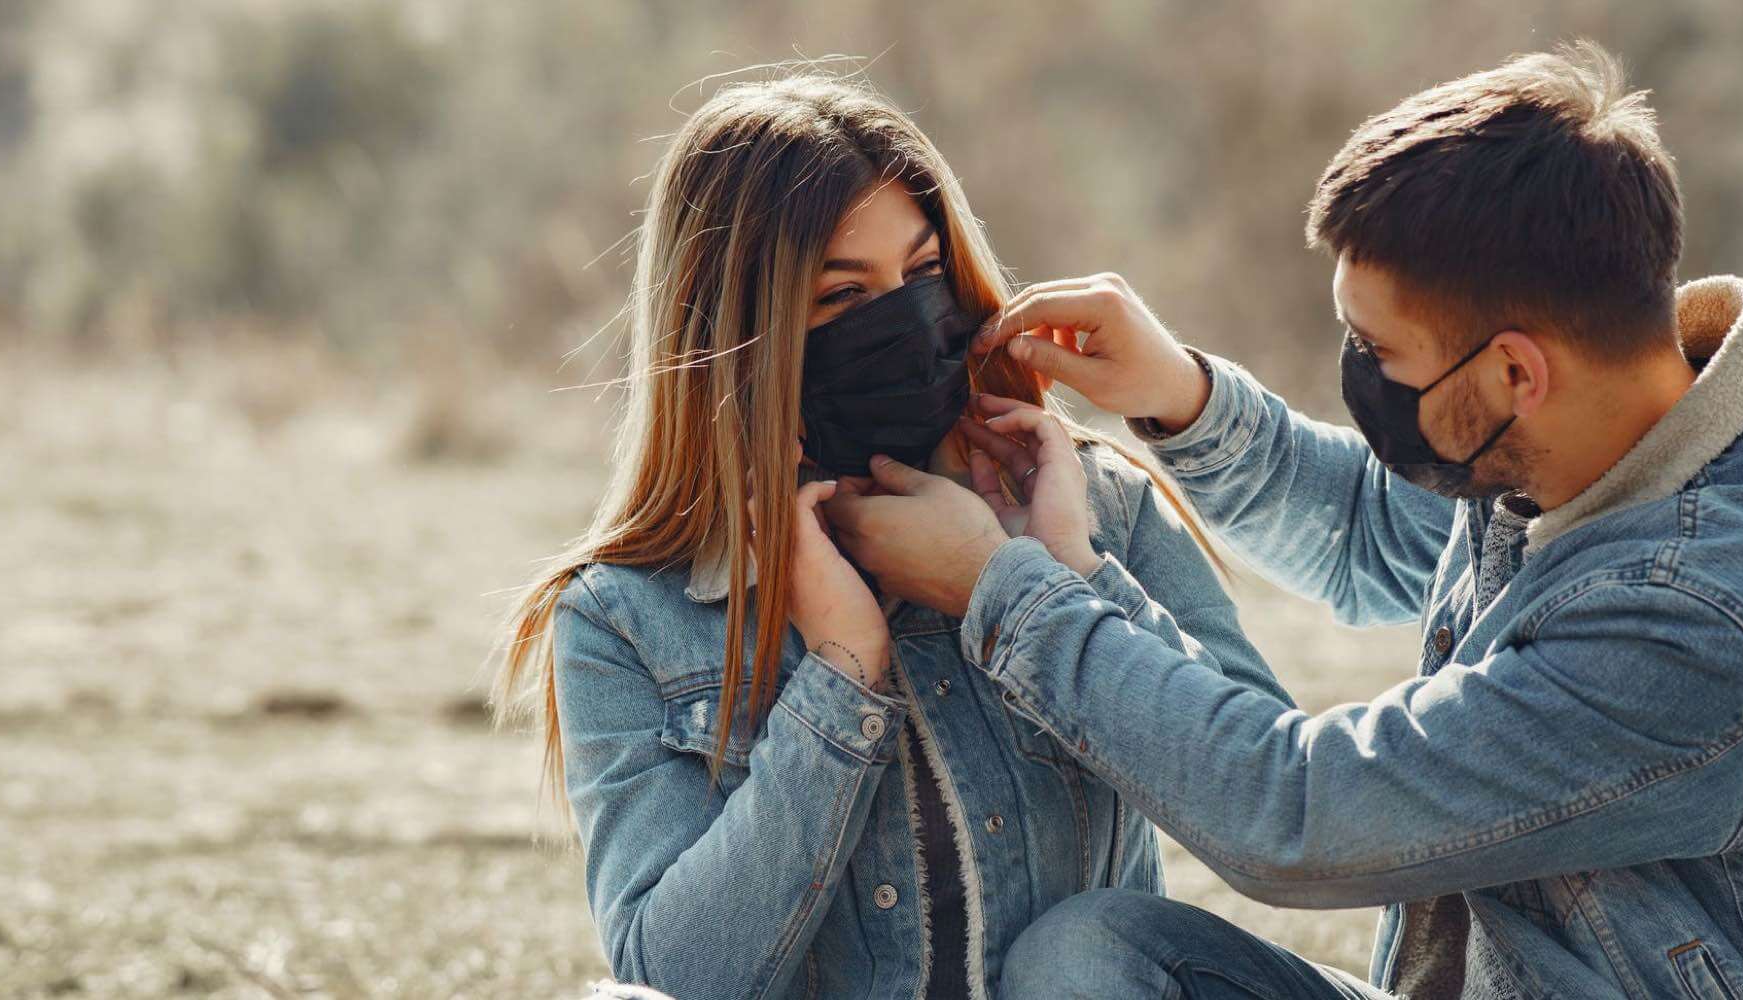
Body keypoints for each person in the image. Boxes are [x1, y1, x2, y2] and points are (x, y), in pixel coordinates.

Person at [824, 43, 1743, 998]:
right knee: (1095, 960)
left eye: (1379, 353)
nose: (1357, 377)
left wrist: (1006, 590)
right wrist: (1180, 397)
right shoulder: (1611, 431)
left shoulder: (1709, 612)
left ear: (1515, 372)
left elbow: (1304, 817)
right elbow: (1378, 534)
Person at [493, 74, 1289, 1000]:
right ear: (740, 338)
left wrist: (1055, 577)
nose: (907, 325)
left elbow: (1268, 801)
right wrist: (840, 673)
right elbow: (679, 975)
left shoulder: (1089, 504)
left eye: (921, 276)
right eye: (842, 298)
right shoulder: (624, 618)